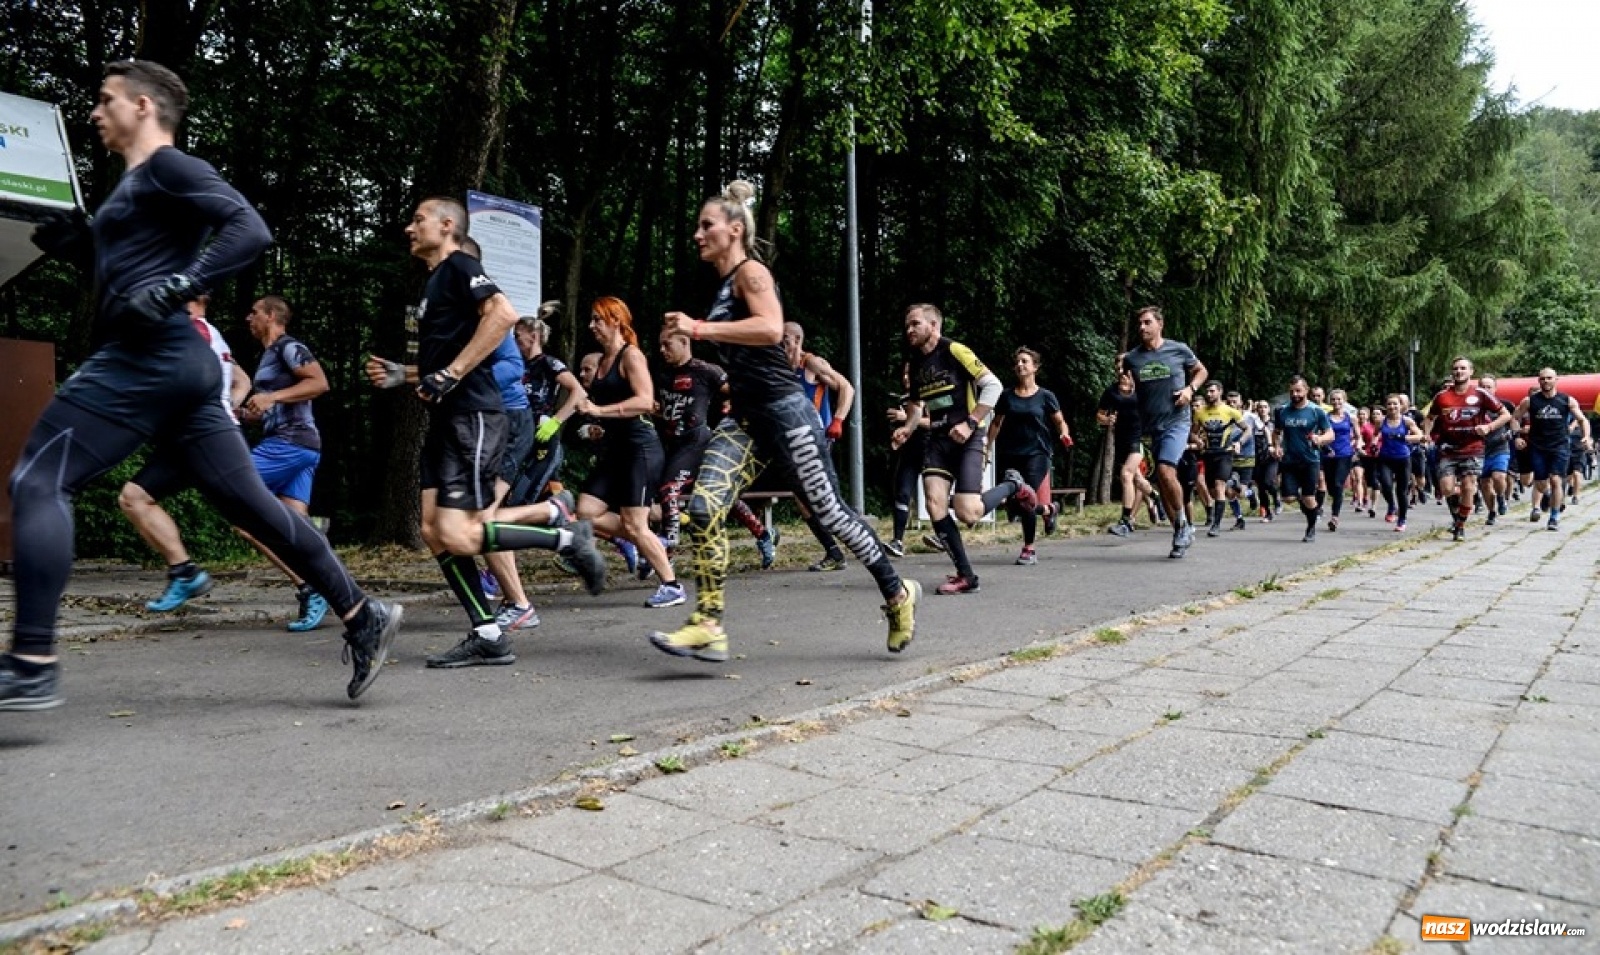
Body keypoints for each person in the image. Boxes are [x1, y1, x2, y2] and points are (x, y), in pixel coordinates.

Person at [7, 59, 401, 709]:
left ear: (141, 106)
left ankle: (31, 660)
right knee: (257, 511)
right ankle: (364, 616)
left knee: (37, 480)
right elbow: (127, 276)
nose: (94, 112)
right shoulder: (132, 187)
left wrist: (181, 285)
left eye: (105, 101)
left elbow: (250, 228)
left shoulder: (169, 166)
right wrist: (85, 247)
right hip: (183, 371)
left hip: (147, 358)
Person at [650, 180, 917, 661]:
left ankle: (898, 594)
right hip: (748, 420)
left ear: (734, 231)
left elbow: (771, 328)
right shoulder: (724, 284)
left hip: (788, 416)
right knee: (703, 508)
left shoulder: (752, 274)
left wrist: (698, 328)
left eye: (706, 225)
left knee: (832, 514)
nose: (696, 234)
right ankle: (708, 624)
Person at [365, 196, 606, 669]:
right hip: (447, 417)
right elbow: (446, 361)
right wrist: (410, 374)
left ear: (447, 225)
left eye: (418, 220)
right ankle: (488, 633)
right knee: (434, 531)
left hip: (473, 418)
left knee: (459, 532)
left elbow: (501, 316)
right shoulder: (435, 281)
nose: (409, 228)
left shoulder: (459, 265)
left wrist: (450, 374)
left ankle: (566, 539)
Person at [894, 304, 1037, 594]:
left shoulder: (955, 350)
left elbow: (994, 386)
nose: (909, 330)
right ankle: (966, 575)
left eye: (915, 324)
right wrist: (907, 428)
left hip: (969, 436)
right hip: (937, 439)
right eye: (907, 325)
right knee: (934, 503)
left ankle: (1012, 485)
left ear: (933, 326)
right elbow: (916, 404)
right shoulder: (915, 361)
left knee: (968, 514)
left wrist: (971, 423)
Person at [117, 295, 248, 610]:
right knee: (134, 498)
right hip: (195, 436)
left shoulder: (191, 330)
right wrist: (226, 406)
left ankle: (320, 585)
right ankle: (183, 571)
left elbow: (178, 382)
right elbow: (242, 381)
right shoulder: (209, 332)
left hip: (202, 437)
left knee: (255, 519)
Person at [573, 296, 682, 606]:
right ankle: (651, 542)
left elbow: (645, 401)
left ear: (615, 320)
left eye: (597, 319)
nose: (591, 325)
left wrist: (599, 410)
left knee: (635, 523)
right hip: (616, 449)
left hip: (640, 448)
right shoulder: (603, 361)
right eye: (591, 319)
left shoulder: (630, 356)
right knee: (586, 512)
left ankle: (672, 585)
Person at [654, 330, 778, 568]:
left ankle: (666, 552)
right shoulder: (661, 373)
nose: (662, 350)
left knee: (668, 490)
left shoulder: (705, 370)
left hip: (698, 442)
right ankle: (764, 534)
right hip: (672, 444)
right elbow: (665, 408)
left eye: (666, 345)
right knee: (719, 496)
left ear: (684, 342)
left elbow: (738, 392)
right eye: (660, 345)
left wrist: (731, 408)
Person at [1118, 306, 1208, 558]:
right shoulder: (1132, 358)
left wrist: (1190, 390)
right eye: (1140, 324)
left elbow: (1202, 371)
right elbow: (1127, 386)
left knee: (1167, 471)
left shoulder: (1178, 349)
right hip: (1152, 425)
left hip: (1177, 420)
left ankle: (1183, 524)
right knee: (1162, 479)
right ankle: (1180, 530)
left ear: (1160, 324)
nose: (1142, 328)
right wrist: (1126, 391)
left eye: (1147, 322)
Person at [781, 321, 854, 572]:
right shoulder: (782, 369)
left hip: (818, 438)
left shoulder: (811, 363)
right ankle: (835, 552)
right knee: (803, 499)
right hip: (794, 441)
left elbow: (846, 387)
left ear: (797, 341)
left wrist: (837, 421)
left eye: (785, 341)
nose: (781, 346)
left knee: (822, 499)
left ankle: (858, 544)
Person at [988, 347, 1071, 564]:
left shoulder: (1045, 396)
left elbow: (1059, 421)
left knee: (1025, 499)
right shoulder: (1006, 396)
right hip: (1012, 453)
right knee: (1012, 503)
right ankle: (1049, 509)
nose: (1020, 365)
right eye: (1017, 362)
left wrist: (1064, 434)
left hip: (1038, 453)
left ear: (1035, 367)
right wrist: (986, 446)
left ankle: (1029, 549)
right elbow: (996, 423)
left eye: (1025, 361)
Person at [1422, 357, 1510, 541]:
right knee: (1447, 489)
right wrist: (1427, 435)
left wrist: (1488, 427)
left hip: (1473, 447)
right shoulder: (1442, 396)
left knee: (1469, 487)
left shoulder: (1480, 394)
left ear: (1471, 372)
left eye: (1463, 368)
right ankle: (1458, 515)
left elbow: (1505, 415)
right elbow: (1429, 418)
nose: (1459, 371)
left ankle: (1460, 526)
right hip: (1448, 449)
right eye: (1455, 368)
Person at [504, 306, 583, 509]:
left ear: (534, 336)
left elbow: (578, 392)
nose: (514, 341)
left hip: (543, 436)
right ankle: (570, 526)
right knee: (551, 490)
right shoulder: (516, 364)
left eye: (517, 336)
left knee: (522, 498)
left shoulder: (548, 363)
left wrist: (556, 421)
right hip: (518, 433)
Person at [1513, 368, 1591, 530]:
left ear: (1556, 380)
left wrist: (1585, 436)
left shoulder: (1567, 400)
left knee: (1556, 479)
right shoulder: (1530, 401)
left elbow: (1583, 420)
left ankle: (1554, 516)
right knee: (1540, 483)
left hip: (1560, 446)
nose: (1546, 381)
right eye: (1542, 379)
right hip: (1537, 446)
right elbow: (1514, 418)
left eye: (1549, 378)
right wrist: (1518, 435)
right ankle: (1547, 495)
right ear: (1538, 381)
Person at [1271, 375, 1334, 543]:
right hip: (1289, 459)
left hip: (1310, 460)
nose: (1295, 394)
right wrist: (1276, 446)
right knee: (1288, 498)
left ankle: (1311, 528)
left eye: (1298, 390)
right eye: (1291, 391)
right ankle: (1305, 503)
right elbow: (1276, 432)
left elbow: (1330, 434)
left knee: (1308, 498)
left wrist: (1320, 440)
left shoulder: (1316, 411)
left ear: (1306, 390)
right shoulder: (1282, 410)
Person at [1098, 362, 1147, 537]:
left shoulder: (1142, 390)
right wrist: (1106, 420)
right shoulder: (1111, 391)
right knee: (1137, 480)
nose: (1120, 372)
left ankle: (1126, 520)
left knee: (1127, 475)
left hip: (1140, 438)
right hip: (1121, 438)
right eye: (1117, 368)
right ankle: (1156, 499)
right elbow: (1100, 414)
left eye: (1123, 368)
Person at [1191, 381, 1244, 537]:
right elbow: (1193, 432)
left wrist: (1239, 442)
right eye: (1207, 391)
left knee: (1219, 486)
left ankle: (1216, 525)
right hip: (1208, 454)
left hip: (1224, 453)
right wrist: (1197, 440)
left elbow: (1246, 429)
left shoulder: (1230, 411)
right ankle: (1233, 480)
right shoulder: (1200, 412)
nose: (1209, 394)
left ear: (1220, 392)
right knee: (1213, 491)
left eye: (1212, 391)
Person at [1374, 394, 1423, 531]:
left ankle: (1402, 520)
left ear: (1400, 406)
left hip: (1403, 458)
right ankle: (1391, 506)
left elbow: (1419, 435)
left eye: (1395, 404)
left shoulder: (1406, 421)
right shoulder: (1381, 421)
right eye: (1389, 404)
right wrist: (1374, 442)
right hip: (1385, 458)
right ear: (1386, 406)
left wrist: (1404, 437)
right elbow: (1375, 434)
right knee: (1386, 485)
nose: (1392, 407)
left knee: (1401, 491)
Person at [1476, 374, 1512, 525]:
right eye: (1482, 387)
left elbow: (1514, 421)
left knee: (1498, 477)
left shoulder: (1504, 405)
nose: (1485, 390)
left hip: (1500, 448)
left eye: (1489, 387)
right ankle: (1491, 512)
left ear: (1495, 389)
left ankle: (1501, 497)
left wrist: (1512, 434)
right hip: (1480, 450)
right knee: (1484, 484)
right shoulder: (1474, 407)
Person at [1320, 389, 1357, 531]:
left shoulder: (1350, 418)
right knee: (1331, 488)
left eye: (1339, 399)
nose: (1336, 402)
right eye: (1333, 399)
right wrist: (1325, 447)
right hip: (1328, 456)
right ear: (1330, 401)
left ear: (1344, 400)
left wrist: (1355, 446)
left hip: (1344, 455)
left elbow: (1357, 436)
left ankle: (1335, 517)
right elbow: (1320, 435)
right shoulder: (1325, 418)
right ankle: (1336, 502)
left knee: (1338, 484)